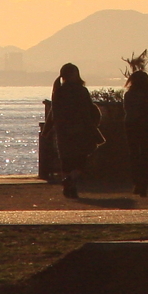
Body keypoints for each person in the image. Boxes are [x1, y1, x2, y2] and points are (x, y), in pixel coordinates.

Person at [49, 63, 103, 198]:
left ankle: (68, 183)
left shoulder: (58, 91)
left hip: (63, 131)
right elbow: (87, 111)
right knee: (80, 159)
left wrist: (49, 129)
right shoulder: (80, 90)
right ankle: (71, 180)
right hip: (80, 130)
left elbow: (54, 112)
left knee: (66, 160)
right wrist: (92, 127)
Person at [123, 70, 148, 197]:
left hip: (132, 126)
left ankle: (137, 182)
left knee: (134, 154)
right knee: (145, 155)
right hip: (146, 126)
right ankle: (144, 184)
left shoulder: (129, 94)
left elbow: (128, 110)